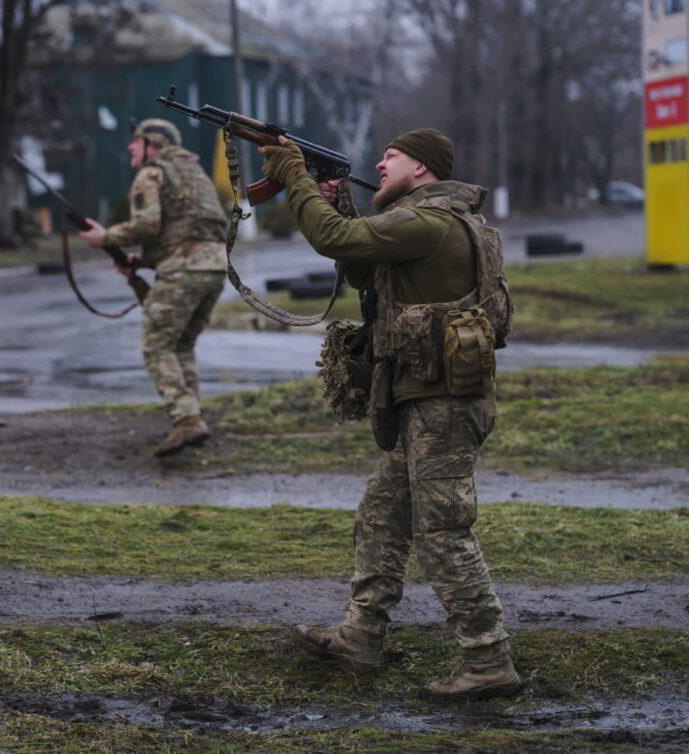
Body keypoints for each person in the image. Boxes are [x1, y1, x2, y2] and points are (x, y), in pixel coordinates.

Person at [259, 128, 522, 700]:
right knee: (381, 516)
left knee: (443, 533)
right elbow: (362, 267)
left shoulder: (425, 222)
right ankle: (361, 637)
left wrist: (293, 174)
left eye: (392, 156)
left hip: (442, 407)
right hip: (429, 401)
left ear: (422, 168)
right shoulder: (426, 223)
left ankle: (487, 659)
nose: (379, 163)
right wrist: (336, 202)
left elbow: (334, 240)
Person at [78, 119, 228, 458]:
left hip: (184, 269)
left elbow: (148, 225)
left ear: (154, 145)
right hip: (214, 268)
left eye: (137, 142)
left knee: (157, 346)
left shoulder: (152, 173)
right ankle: (192, 417)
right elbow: (188, 229)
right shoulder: (193, 174)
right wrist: (141, 264)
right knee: (181, 345)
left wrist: (106, 237)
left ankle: (187, 419)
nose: (131, 147)